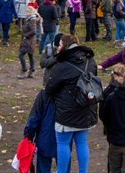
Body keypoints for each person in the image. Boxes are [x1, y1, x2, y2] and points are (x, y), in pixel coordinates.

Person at [45, 34, 98, 173]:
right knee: (81, 142)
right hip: (86, 108)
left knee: (62, 142)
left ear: (66, 46)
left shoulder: (62, 65)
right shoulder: (90, 60)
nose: (58, 47)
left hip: (66, 111)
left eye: (60, 44)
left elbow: (50, 88)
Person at [24, 88, 68, 173]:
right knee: (64, 166)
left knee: (43, 166)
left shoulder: (44, 94)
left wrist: (28, 136)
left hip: (45, 138)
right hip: (64, 137)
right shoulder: (70, 91)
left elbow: (34, 118)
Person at [19, 6, 41, 79]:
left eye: (27, 11)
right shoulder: (29, 19)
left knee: (21, 55)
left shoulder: (32, 20)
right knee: (30, 55)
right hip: (29, 41)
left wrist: (25, 36)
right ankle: (32, 71)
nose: (26, 12)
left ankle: (24, 70)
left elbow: (33, 31)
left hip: (28, 41)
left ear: (30, 12)